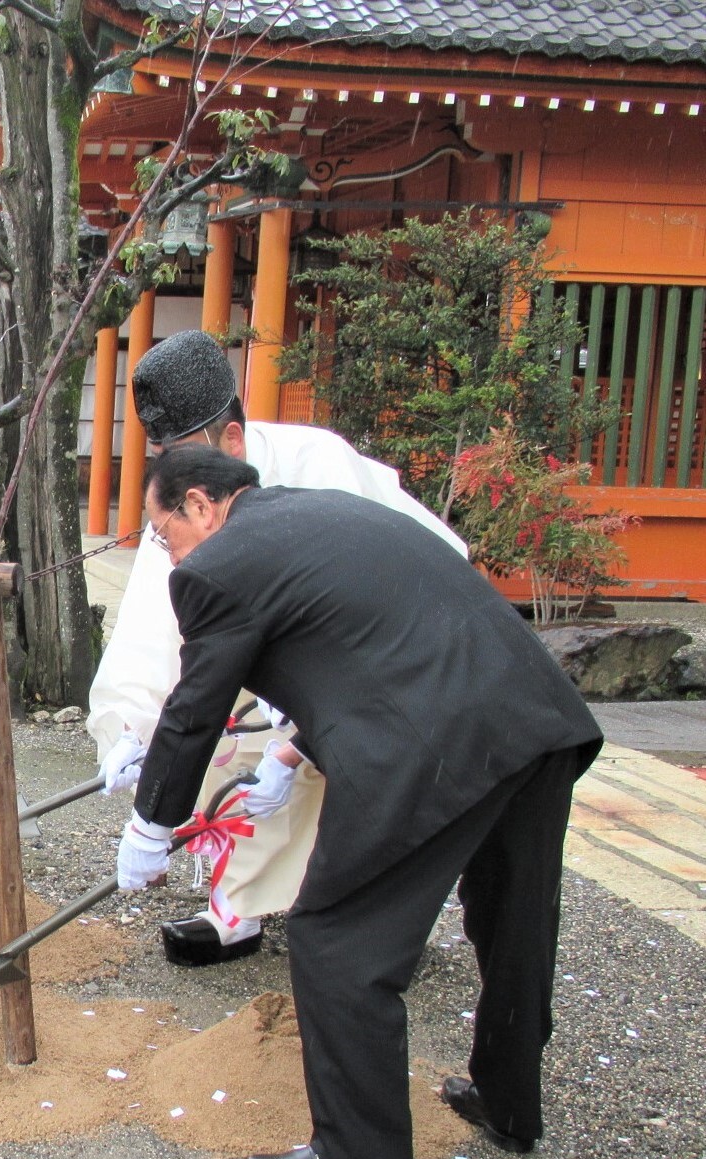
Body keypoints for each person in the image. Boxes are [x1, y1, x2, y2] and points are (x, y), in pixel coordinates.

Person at [116, 446, 601, 1159]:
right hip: (532, 716)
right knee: (513, 920)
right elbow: (384, 639)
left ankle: (359, 1156)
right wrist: (285, 757)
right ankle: (508, 1103)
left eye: (160, 528)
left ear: (201, 505)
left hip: (438, 740)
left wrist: (152, 822)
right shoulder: (320, 513)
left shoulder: (216, 566)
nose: (163, 549)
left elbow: (196, 704)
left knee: (336, 935)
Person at [89, 329, 467, 965]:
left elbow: (368, 631)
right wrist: (135, 726)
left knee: (365, 770)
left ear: (230, 441)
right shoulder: (190, 502)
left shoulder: (318, 465)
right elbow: (160, 629)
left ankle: (387, 919)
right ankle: (239, 907)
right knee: (225, 745)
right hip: (290, 666)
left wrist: (296, 747)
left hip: (393, 656)